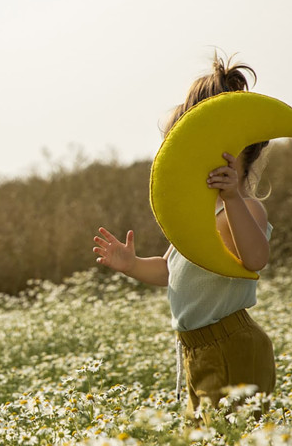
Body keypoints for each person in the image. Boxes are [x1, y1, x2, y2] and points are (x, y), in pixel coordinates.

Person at [93, 52, 275, 419]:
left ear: (240, 156)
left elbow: (256, 259)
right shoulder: (198, 216)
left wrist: (234, 196)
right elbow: (170, 271)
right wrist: (131, 265)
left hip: (232, 345)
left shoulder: (243, 208)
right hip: (198, 349)